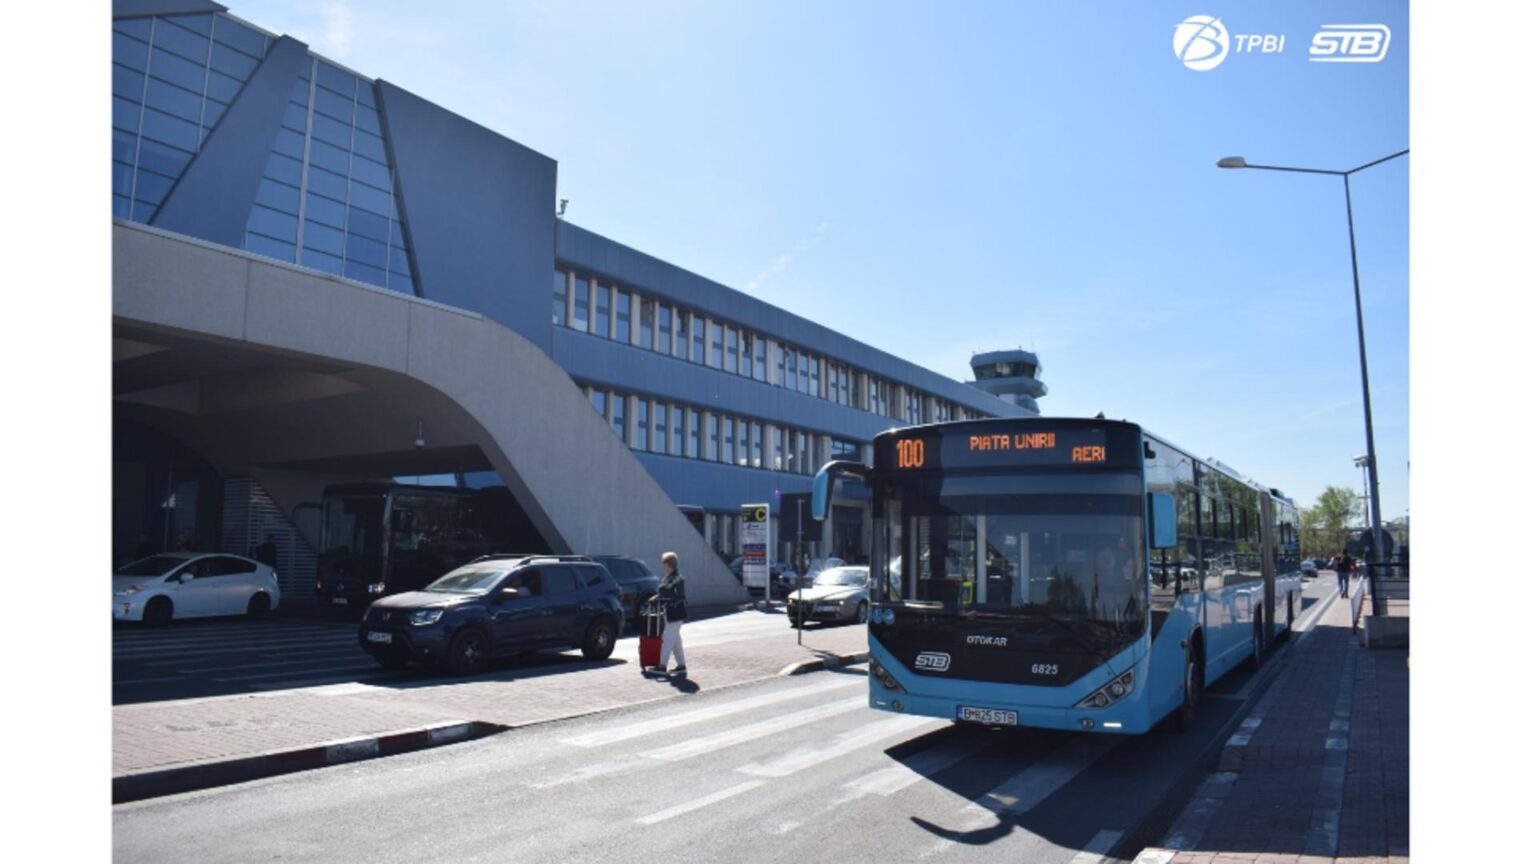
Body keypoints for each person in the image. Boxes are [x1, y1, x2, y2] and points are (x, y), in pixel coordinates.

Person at [654, 551, 688, 678]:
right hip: (672, 612)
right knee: (675, 641)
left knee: (667, 639)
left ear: (668, 564)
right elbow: (666, 593)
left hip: (675, 612)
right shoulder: (671, 576)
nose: (662, 565)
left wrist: (664, 599)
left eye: (663, 563)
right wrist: (657, 597)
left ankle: (662, 666)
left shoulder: (675, 577)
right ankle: (681, 666)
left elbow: (679, 596)